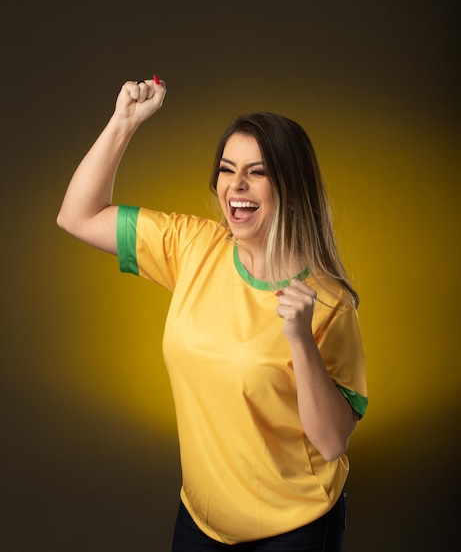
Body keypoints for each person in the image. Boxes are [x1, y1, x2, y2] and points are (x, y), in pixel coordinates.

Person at [57, 75, 368, 551]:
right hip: (201, 522)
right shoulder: (191, 245)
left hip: (294, 528)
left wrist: (300, 339)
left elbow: (330, 443)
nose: (236, 186)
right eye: (227, 169)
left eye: (257, 172)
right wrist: (123, 122)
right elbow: (76, 215)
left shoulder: (329, 303)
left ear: (291, 184)